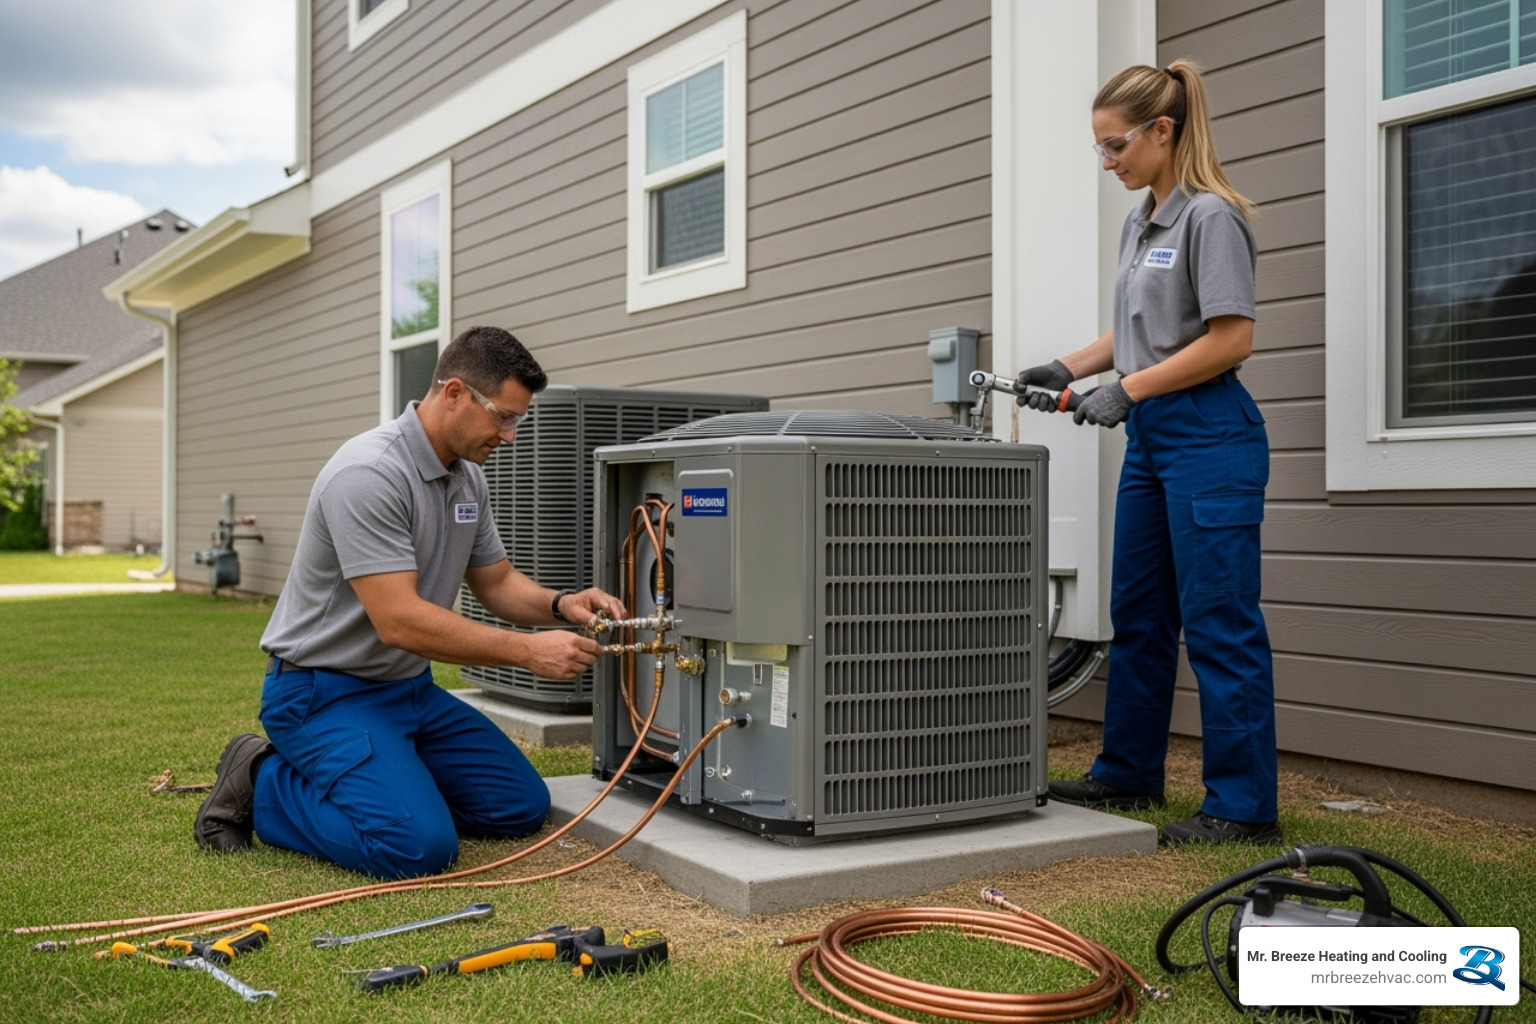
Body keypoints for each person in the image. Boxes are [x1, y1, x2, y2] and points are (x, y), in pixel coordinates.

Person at [194, 326, 626, 878]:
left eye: (518, 420)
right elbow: (398, 621)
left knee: (518, 806)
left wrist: (563, 604)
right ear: (454, 394)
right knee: (419, 848)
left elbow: (496, 582)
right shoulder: (368, 474)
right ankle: (262, 779)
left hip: (408, 690)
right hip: (322, 692)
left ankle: (394, 781)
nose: (510, 435)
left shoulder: (467, 479)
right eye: (503, 417)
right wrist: (527, 652)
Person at [1021, 61, 1281, 846]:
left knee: (1219, 621)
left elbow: (1230, 340)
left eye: (1116, 145)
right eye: (1100, 148)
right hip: (1154, 440)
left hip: (1211, 434)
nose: (1108, 161)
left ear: (1162, 131)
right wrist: (1067, 367)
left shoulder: (1212, 217)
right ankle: (1128, 773)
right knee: (1139, 612)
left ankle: (1243, 809)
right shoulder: (1143, 220)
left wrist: (1128, 390)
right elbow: (1139, 329)